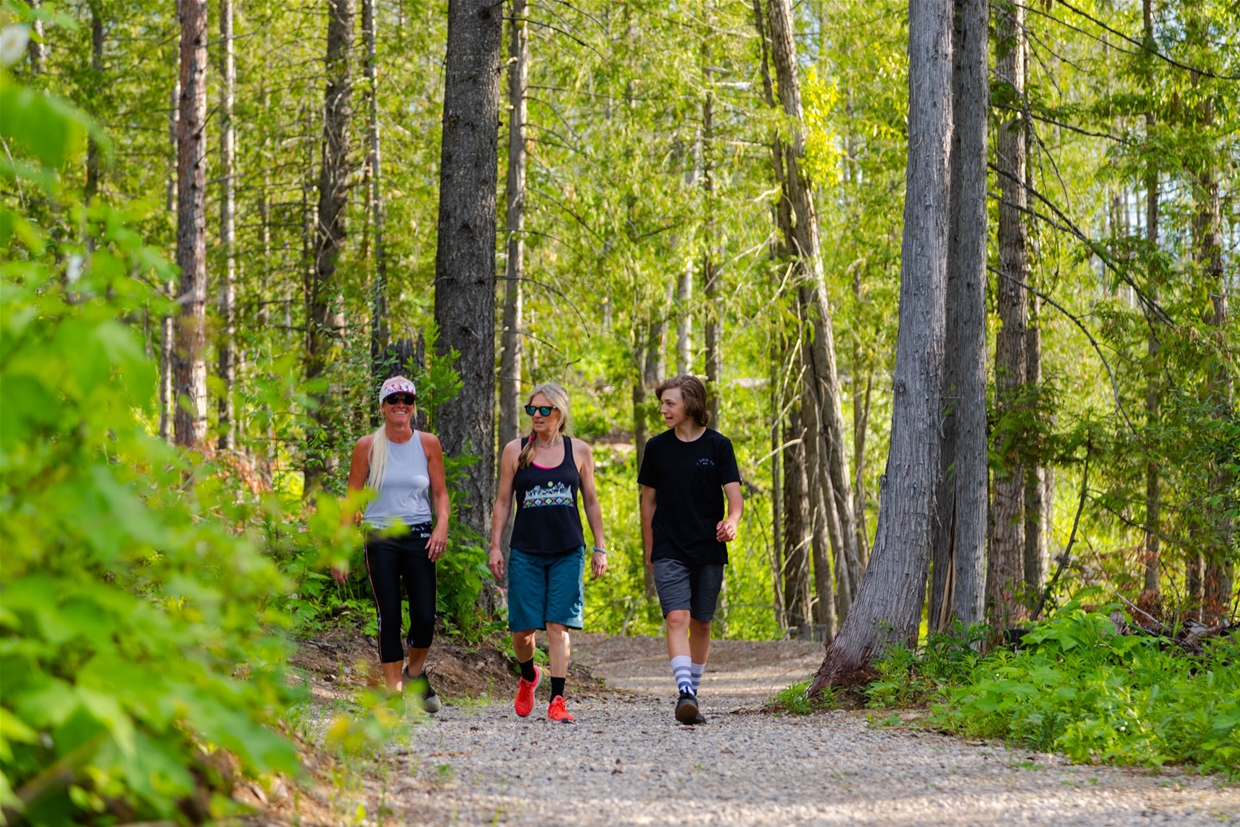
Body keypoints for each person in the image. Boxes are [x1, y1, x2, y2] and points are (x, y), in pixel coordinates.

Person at [489, 383, 607, 724]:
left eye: (544, 410)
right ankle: (528, 675)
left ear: (560, 413)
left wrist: (600, 547)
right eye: (532, 410)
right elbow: (502, 502)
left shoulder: (579, 451)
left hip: (567, 550)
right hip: (526, 550)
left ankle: (557, 699)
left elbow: (591, 502)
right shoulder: (515, 450)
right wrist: (495, 546)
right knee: (523, 631)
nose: (537, 416)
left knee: (559, 625)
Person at [334, 376, 451, 712]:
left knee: (425, 617)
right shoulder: (368, 446)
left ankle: (414, 675)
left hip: (420, 536)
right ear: (383, 407)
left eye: (408, 400)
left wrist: (441, 527)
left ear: (414, 407)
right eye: (394, 400)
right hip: (381, 536)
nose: (401, 405)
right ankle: (394, 694)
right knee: (389, 617)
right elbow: (352, 500)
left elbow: (440, 494)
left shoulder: (428, 443)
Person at [638, 375, 743, 725]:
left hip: (708, 547)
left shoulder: (718, 446)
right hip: (669, 545)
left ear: (691, 405)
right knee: (677, 618)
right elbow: (648, 502)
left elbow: (735, 499)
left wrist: (733, 522)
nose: (664, 409)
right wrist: (651, 549)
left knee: (701, 623)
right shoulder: (656, 448)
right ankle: (685, 692)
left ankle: (693, 696)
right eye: (663, 403)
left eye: (670, 403)